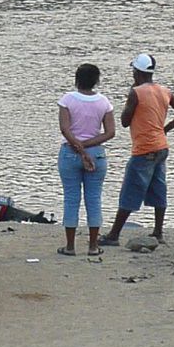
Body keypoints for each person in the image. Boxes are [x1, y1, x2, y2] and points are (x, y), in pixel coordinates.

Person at [100, 54, 174, 246]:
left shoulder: (137, 93)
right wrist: (165, 129)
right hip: (161, 147)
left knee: (131, 190)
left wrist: (130, 99)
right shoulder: (164, 91)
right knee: (158, 188)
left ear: (137, 72)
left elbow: (125, 122)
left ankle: (114, 235)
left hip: (144, 149)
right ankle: (158, 232)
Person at [56, 64, 115, 256]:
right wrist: (88, 145)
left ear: (77, 79)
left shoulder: (67, 100)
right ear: (96, 80)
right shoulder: (104, 102)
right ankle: (92, 246)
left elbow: (65, 129)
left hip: (70, 153)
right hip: (96, 154)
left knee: (71, 199)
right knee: (94, 199)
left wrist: (78, 146)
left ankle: (70, 246)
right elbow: (110, 132)